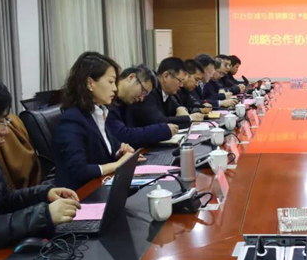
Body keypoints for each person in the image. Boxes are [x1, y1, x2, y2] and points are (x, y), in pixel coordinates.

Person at [0, 70, 81, 259]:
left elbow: (4, 201)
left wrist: (44, 194)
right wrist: (43, 215)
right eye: (0, 121)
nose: (6, 131)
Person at [53, 52, 138, 191]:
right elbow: (78, 170)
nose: (115, 88)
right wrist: (118, 165)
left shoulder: (98, 112)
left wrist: (120, 152)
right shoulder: (71, 120)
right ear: (90, 83)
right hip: (80, 195)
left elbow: (104, 151)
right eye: (110, 82)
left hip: (100, 187)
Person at [107, 64, 179, 148]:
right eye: (143, 92)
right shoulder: (107, 102)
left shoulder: (127, 102)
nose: (141, 98)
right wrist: (163, 130)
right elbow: (123, 135)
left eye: (145, 95)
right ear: (131, 78)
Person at [129, 57, 202, 129]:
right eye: (180, 81)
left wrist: (180, 108)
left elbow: (176, 106)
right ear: (166, 76)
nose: (181, 85)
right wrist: (189, 118)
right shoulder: (149, 92)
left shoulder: (168, 93)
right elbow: (159, 122)